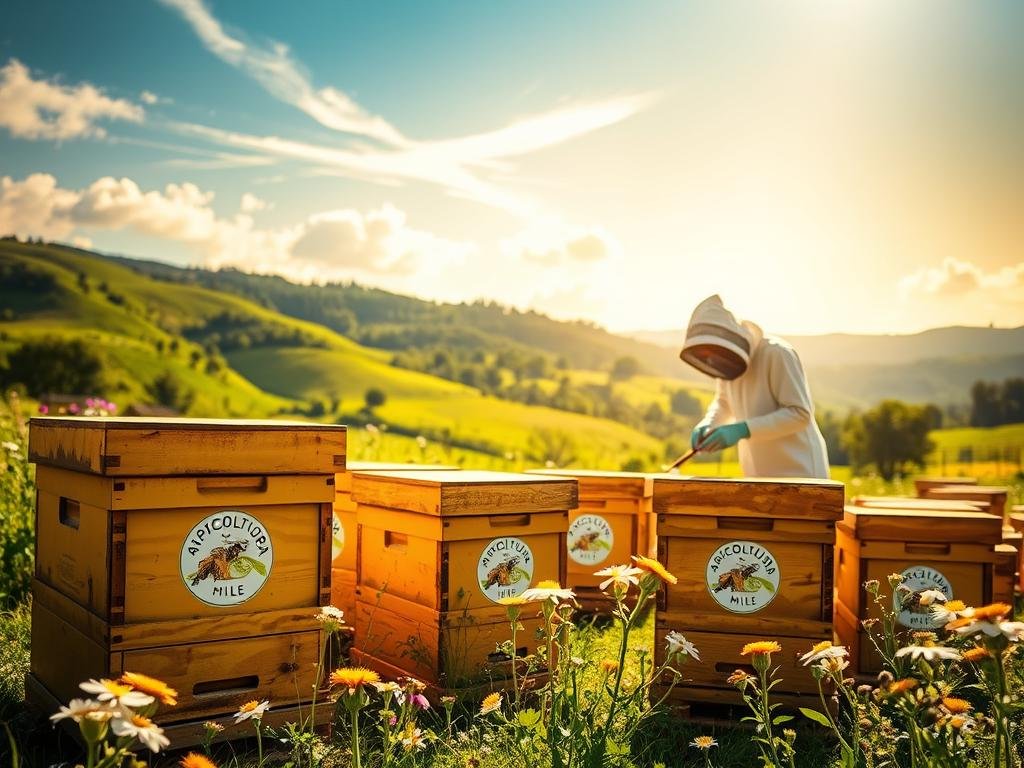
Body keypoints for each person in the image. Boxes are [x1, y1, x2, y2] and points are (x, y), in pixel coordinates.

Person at [680, 295, 829, 478]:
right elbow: (724, 403)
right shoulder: (725, 363)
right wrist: (709, 423)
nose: (711, 359)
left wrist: (742, 429)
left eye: (712, 352)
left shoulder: (778, 353)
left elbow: (800, 413)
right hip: (758, 476)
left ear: (727, 341)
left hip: (800, 473)